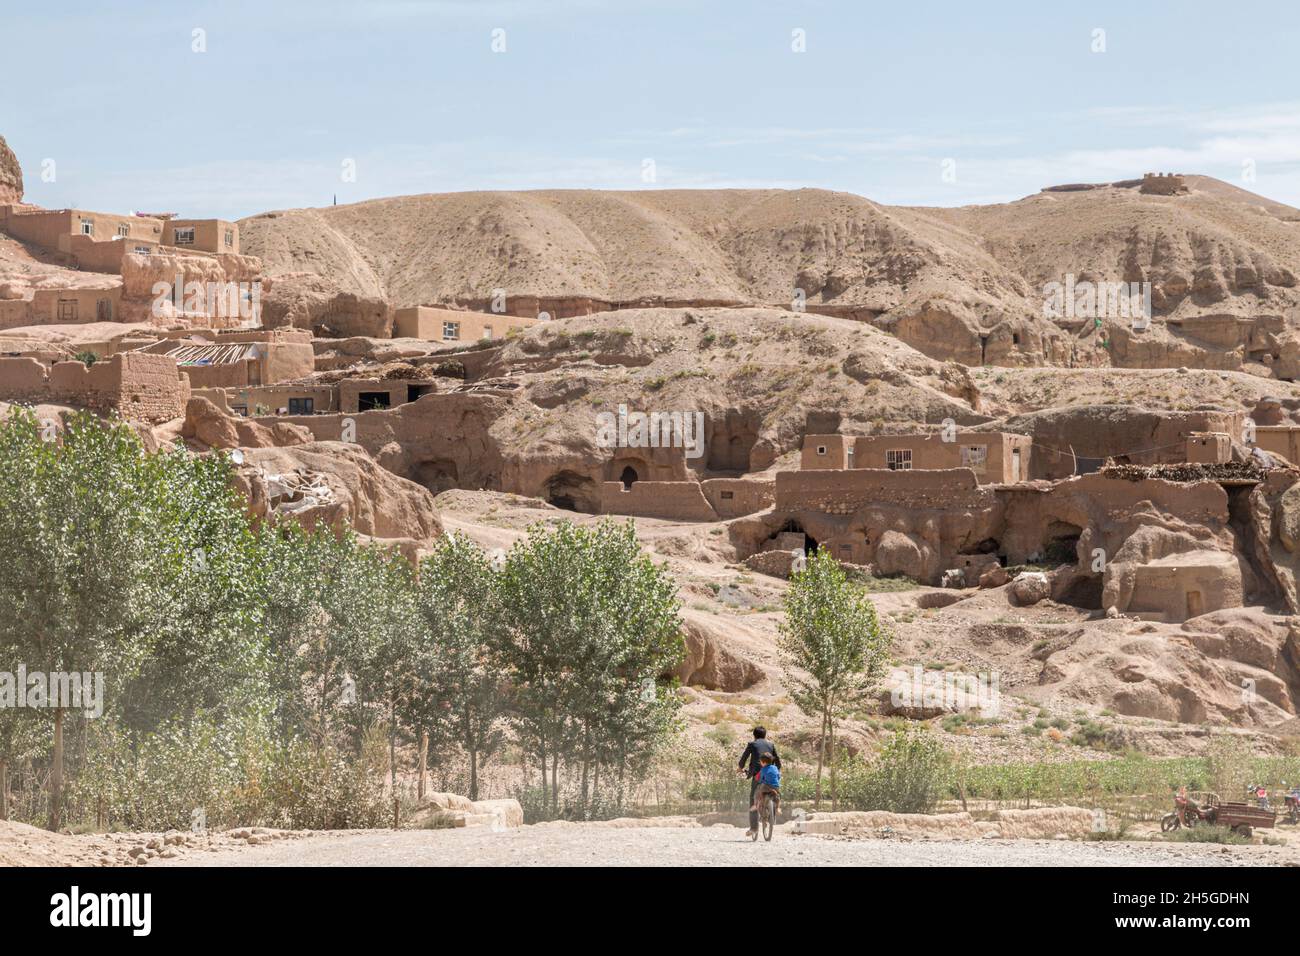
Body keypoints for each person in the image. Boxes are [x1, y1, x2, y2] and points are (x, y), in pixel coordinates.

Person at [737, 726, 781, 837]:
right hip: (772, 775)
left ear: (754, 736)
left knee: (753, 798)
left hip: (757, 774)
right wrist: (776, 771)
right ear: (765, 735)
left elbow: (744, 758)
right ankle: (773, 814)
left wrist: (740, 768)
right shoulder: (771, 745)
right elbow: (778, 761)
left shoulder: (752, 744)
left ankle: (754, 828)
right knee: (775, 793)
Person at [750, 752, 781, 822]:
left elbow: (760, 779)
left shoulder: (763, 769)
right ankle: (778, 808)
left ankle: (756, 805)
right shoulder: (775, 767)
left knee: (757, 793)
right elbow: (778, 776)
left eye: (760, 762)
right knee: (778, 796)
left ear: (763, 762)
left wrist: (759, 781)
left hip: (766, 787)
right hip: (776, 786)